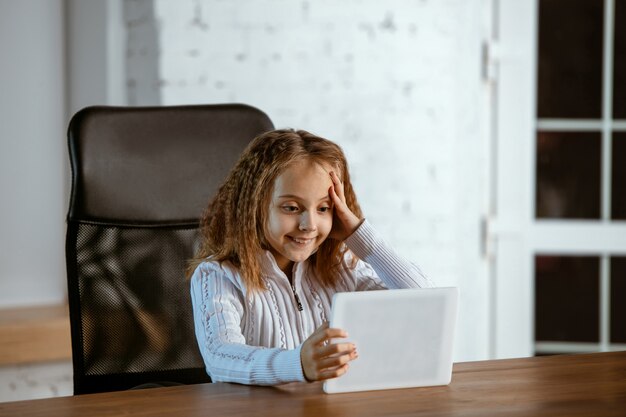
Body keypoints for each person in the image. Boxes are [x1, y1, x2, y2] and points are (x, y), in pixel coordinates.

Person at [188, 128, 433, 386]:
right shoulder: (218, 275)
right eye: (291, 208)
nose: (309, 224)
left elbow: (425, 303)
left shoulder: (341, 270)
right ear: (254, 206)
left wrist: (359, 235)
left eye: (323, 208)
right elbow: (220, 358)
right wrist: (297, 364)